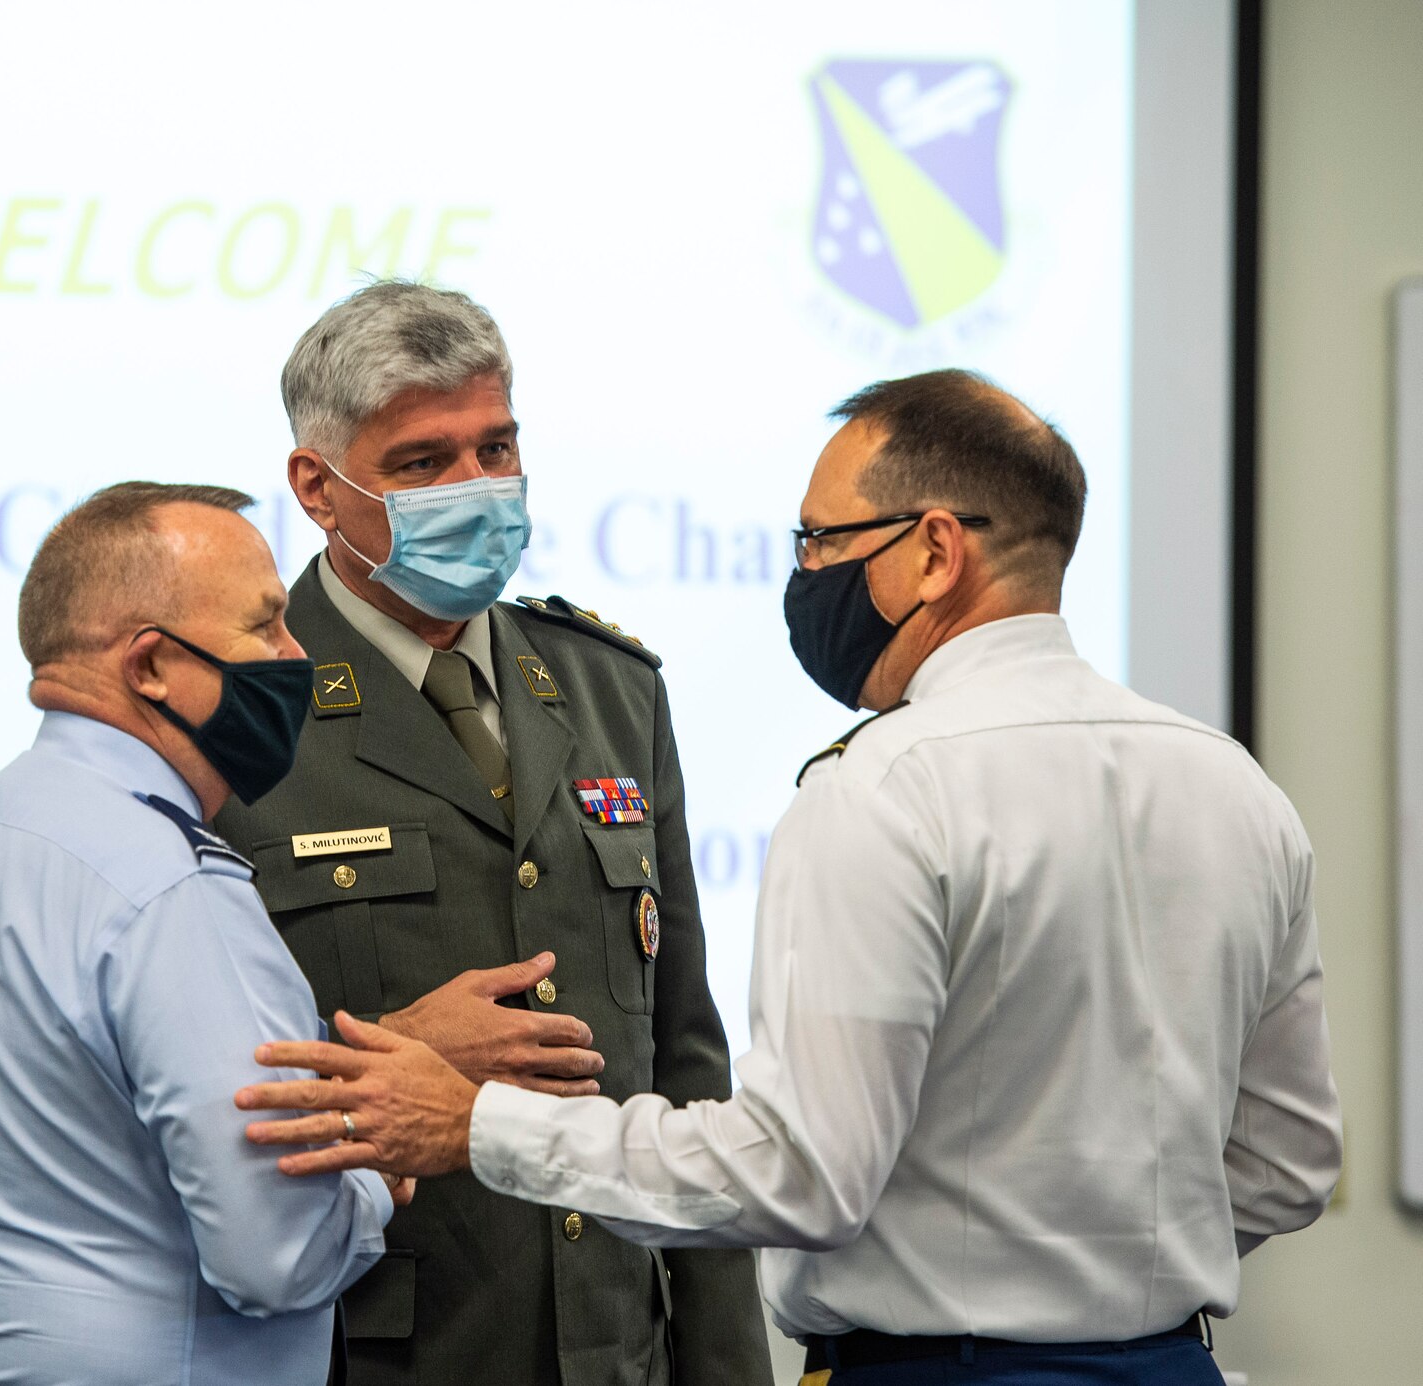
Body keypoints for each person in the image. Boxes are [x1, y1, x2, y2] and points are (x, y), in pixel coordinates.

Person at [236, 369, 1345, 1386]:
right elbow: (1289, 1162)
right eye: (428, 461)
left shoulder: (885, 788)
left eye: (820, 542)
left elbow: (794, 1172)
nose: (804, 573)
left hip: (933, 1369)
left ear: (932, 553)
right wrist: (1107, 1260)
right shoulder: (1232, 784)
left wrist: (476, 1123)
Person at [210, 280, 767, 1386]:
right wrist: (396, 1051)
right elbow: (187, 1085)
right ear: (316, 489)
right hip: (382, 1347)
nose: (475, 487)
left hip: (616, 1346)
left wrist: (723, 1364)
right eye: (423, 464)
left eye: (495, 447)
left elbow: (685, 1059)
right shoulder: (237, 711)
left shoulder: (610, 689)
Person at [0, 481, 402, 1386]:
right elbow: (277, 1259)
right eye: (266, 626)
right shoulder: (170, 884)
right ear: (151, 667)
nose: (296, 655)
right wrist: (378, 1168)